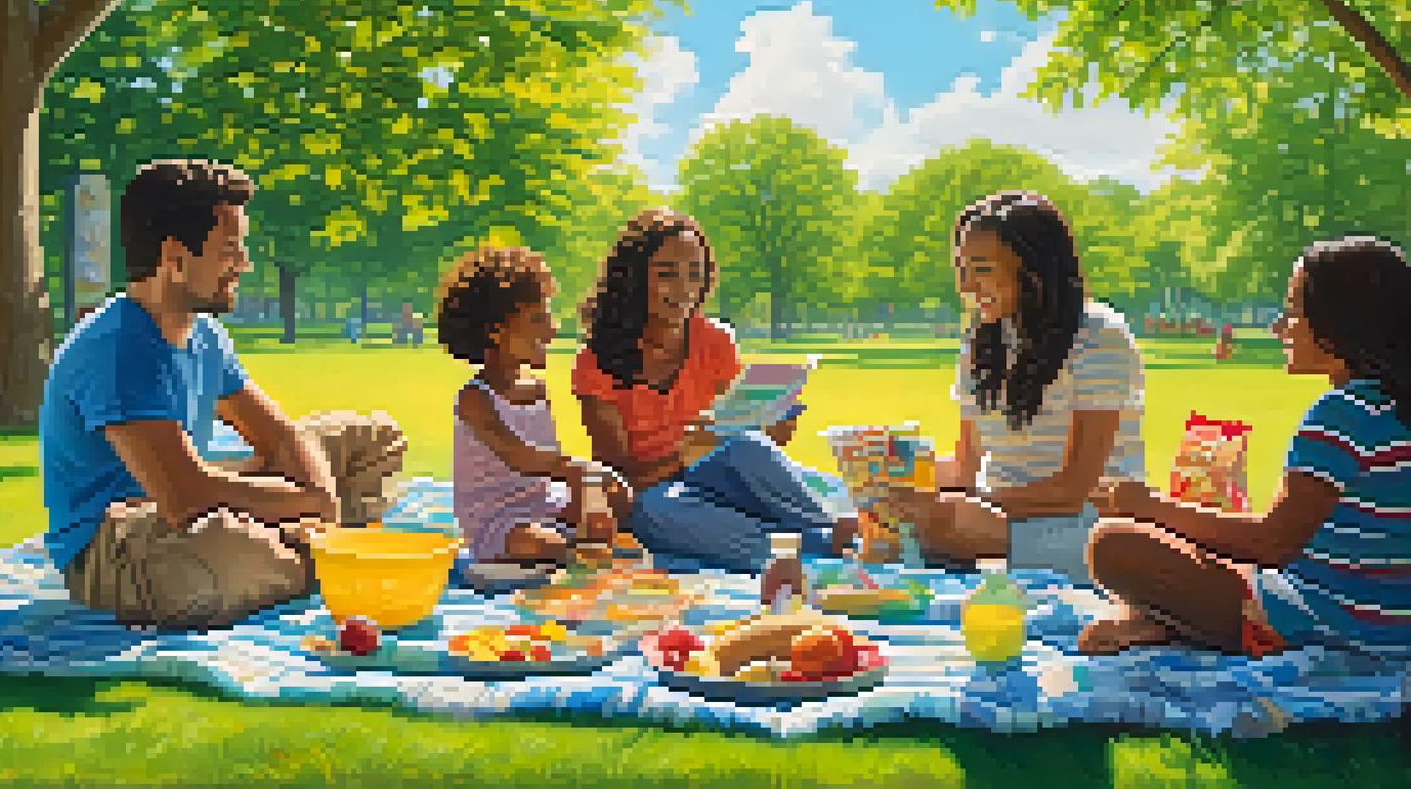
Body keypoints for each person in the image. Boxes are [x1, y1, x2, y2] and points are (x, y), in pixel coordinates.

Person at [40, 158, 399, 630]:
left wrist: (320, 499)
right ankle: (323, 555)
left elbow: (280, 437)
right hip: (116, 544)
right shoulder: (119, 346)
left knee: (372, 441)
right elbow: (184, 495)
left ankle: (305, 550)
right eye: (230, 249)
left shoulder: (205, 335)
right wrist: (298, 502)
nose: (243, 263)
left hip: (193, 505)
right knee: (223, 553)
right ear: (175, 258)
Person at [1080, 237, 1411, 659]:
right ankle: (1162, 623)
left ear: (1338, 322)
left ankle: (1176, 626)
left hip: (1329, 624)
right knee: (1197, 548)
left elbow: (1272, 544)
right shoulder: (1390, 408)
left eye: (1293, 311)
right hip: (1389, 622)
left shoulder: (1343, 413)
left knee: (1112, 544)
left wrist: (1148, 506)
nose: (1279, 327)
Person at [880, 191, 1146, 585]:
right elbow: (966, 466)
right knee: (869, 520)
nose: (967, 286)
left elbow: (1076, 488)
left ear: (1034, 269)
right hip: (995, 512)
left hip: (1084, 522)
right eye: (961, 269)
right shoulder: (982, 340)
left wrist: (970, 504)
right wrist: (890, 478)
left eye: (982, 269)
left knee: (942, 526)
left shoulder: (1098, 336)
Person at [572, 209, 856, 573]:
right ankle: (812, 548)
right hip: (653, 495)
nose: (684, 289)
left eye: (695, 274)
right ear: (632, 278)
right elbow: (619, 482)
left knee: (748, 446)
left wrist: (772, 430)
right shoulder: (597, 361)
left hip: (717, 480)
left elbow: (739, 440)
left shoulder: (716, 341)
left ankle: (829, 532)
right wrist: (685, 455)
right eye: (667, 274)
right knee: (656, 509)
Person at [439, 245, 632, 564]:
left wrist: (587, 489)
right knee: (540, 544)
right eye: (537, 318)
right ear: (495, 331)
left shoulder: (537, 389)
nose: (552, 328)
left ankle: (579, 542)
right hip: (498, 520)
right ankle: (579, 553)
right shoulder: (476, 396)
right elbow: (518, 456)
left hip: (544, 506)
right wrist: (575, 469)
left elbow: (547, 468)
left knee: (618, 492)